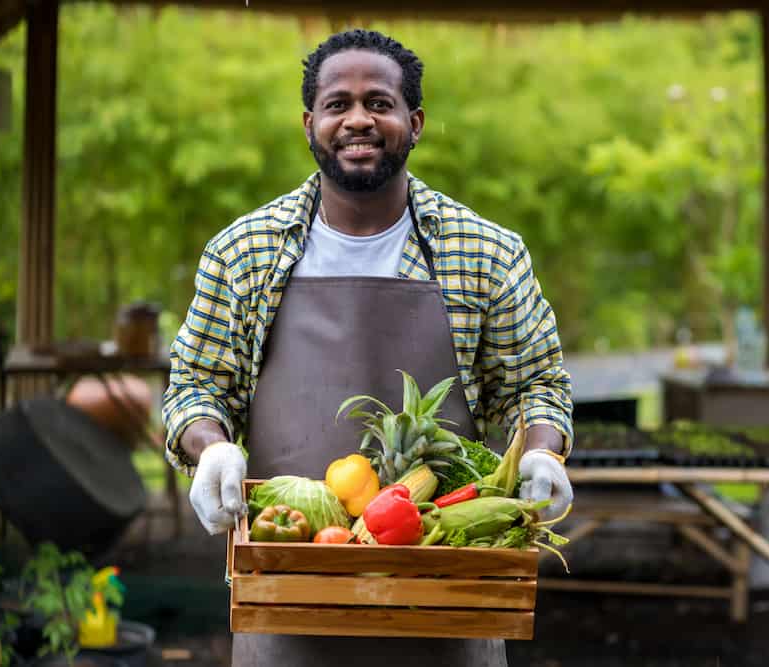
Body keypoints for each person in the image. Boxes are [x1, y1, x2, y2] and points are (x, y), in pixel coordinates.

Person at [163, 28, 573, 667]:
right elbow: (196, 383)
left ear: (414, 123)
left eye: (379, 103)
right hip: (286, 586)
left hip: (448, 593)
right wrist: (210, 446)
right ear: (309, 124)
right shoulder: (244, 251)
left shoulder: (487, 252)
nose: (358, 119)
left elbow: (537, 383)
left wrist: (544, 453)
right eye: (338, 104)